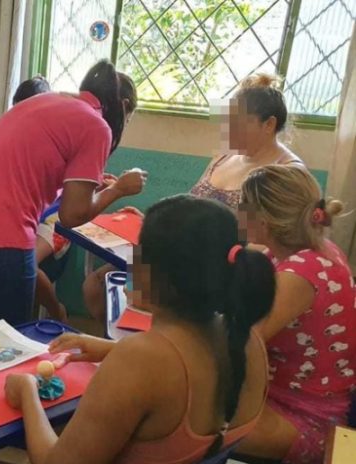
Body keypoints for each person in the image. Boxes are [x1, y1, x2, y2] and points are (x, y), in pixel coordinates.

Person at [0, 195, 276, 464]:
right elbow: (178, 381)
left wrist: (26, 395)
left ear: (160, 274)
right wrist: (109, 349)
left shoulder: (143, 361)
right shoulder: (246, 339)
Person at [0, 60, 147, 328]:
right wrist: (118, 189)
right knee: (11, 338)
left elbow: (26, 167)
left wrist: (92, 184)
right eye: (128, 118)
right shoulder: (97, 125)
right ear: (123, 106)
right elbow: (71, 216)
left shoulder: (46, 101)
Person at [83, 73, 306, 323]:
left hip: (214, 269)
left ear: (269, 124)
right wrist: (156, 222)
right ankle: (122, 349)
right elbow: (191, 204)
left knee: (138, 302)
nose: (230, 130)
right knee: (96, 286)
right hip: (181, 252)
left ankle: (146, 350)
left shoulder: (287, 172)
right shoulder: (226, 156)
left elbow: (272, 244)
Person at [235, 165, 355, 464]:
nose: (237, 211)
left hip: (308, 416)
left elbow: (238, 342)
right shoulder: (302, 252)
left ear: (263, 220)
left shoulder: (300, 273)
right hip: (278, 392)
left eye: (242, 204)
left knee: (177, 419)